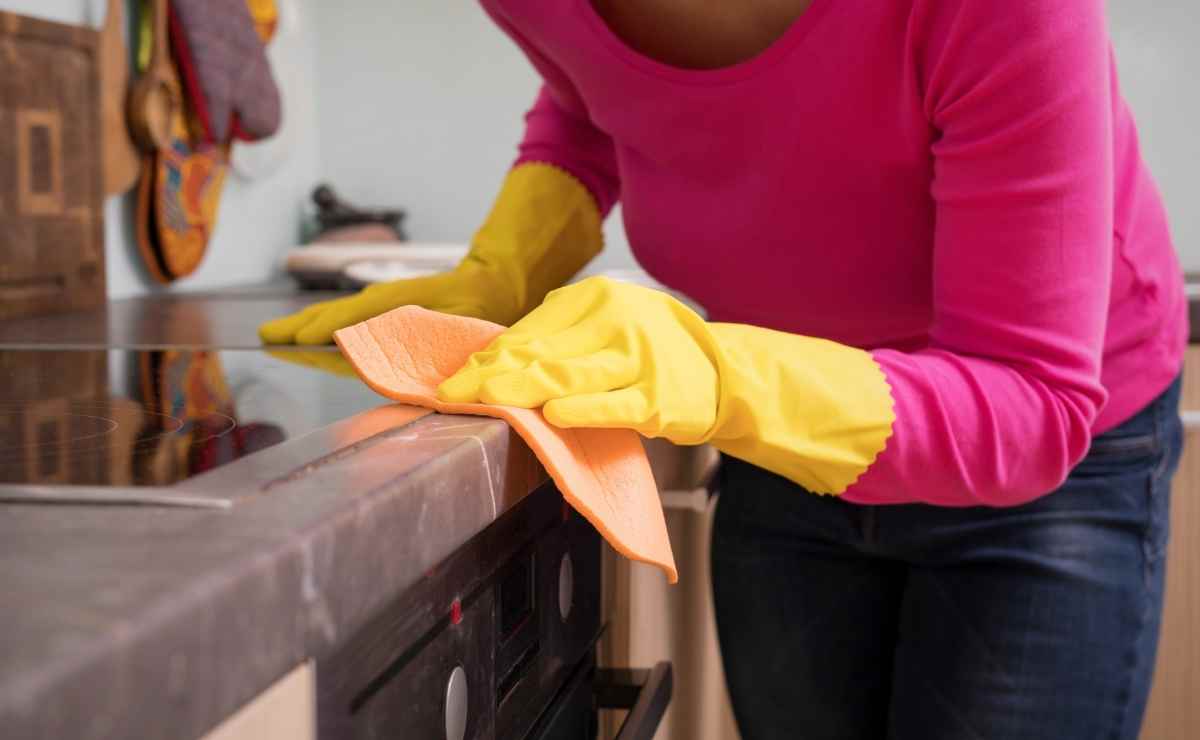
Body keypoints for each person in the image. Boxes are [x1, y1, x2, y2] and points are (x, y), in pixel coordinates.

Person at [261, 0, 1186, 737]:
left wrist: (717, 374)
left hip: (1046, 470)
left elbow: (1032, 402)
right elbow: (593, 94)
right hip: (788, 448)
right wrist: (505, 268)